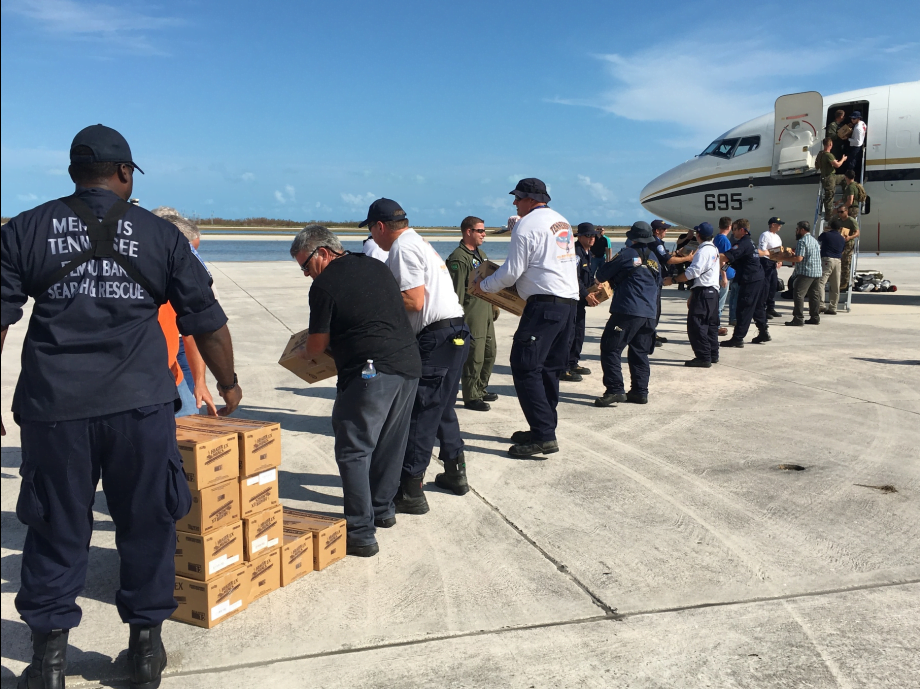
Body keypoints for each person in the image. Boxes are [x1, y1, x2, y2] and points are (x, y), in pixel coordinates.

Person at [1, 124, 241, 689]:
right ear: (126, 173)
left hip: (55, 409)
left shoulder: (26, 229)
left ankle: (48, 664)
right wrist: (228, 385)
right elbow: (206, 320)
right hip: (140, 408)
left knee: (56, 527)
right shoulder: (161, 237)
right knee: (146, 524)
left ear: (72, 173)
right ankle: (144, 653)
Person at [292, 225, 421, 557]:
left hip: (370, 372)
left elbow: (317, 344)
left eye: (306, 265)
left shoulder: (325, 285)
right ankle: (382, 511)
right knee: (391, 444)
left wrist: (303, 353)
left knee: (353, 450)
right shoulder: (374, 265)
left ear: (322, 252)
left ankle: (361, 533)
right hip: (408, 365)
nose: (307, 274)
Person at [364, 198, 471, 510]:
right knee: (442, 408)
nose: (373, 238)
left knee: (421, 413)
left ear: (380, 226)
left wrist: (376, 302)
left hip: (436, 338)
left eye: (371, 231)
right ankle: (455, 471)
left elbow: (413, 301)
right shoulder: (419, 242)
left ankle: (411, 489)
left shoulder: (402, 247)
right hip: (455, 333)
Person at [471, 178, 578, 458]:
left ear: (530, 199)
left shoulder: (526, 225)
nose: (514, 203)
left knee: (524, 365)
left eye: (517, 198)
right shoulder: (562, 222)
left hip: (543, 305)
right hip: (568, 305)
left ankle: (543, 434)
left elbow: (511, 272)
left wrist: (483, 286)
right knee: (549, 369)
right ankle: (544, 427)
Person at [150, 208, 218, 418]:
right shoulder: (152, 280)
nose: (194, 260)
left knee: (189, 415)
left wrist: (200, 382)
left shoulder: (183, 281)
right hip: (147, 375)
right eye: (190, 253)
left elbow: (194, 332)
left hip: (174, 365)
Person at [593, 222, 662, 407]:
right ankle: (640, 391)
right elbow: (658, 285)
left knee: (610, 347)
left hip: (628, 310)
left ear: (632, 238)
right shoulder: (655, 259)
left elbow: (601, 274)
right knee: (640, 352)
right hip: (649, 314)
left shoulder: (625, 254)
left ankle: (615, 389)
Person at [446, 216, 498, 411]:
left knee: (489, 352)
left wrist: (494, 304)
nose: (484, 234)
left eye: (484, 231)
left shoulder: (481, 254)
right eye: (480, 231)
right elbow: (457, 291)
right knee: (474, 355)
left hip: (484, 310)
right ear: (468, 232)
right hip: (470, 312)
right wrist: (456, 319)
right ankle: (471, 395)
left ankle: (481, 388)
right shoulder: (459, 258)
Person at [671, 222, 721, 367]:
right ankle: (712, 354)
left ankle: (703, 357)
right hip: (712, 292)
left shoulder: (703, 251)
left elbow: (692, 273)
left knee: (696, 325)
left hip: (704, 292)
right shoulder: (714, 249)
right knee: (711, 325)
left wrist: (674, 279)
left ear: (698, 235)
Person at [720, 218, 769, 347]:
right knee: (757, 307)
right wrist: (723, 269)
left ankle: (738, 338)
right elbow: (732, 262)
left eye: (735, 229)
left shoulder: (742, 244)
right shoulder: (749, 243)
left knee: (743, 308)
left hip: (750, 280)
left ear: (742, 230)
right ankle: (763, 332)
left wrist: (711, 254)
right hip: (758, 278)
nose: (733, 232)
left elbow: (727, 257)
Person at [562, 223, 602, 382]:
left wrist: (594, 283)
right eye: (588, 236)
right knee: (569, 334)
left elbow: (586, 276)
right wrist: (586, 294)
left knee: (578, 333)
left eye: (593, 236)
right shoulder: (575, 253)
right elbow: (573, 277)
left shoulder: (587, 253)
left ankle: (573, 362)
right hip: (572, 299)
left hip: (579, 300)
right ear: (579, 236)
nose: (592, 238)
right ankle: (562, 368)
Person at [648, 219, 693, 346]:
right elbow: (668, 260)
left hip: (655, 279)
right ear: (657, 231)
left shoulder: (655, 242)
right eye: (664, 229)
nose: (666, 231)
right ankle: (649, 335)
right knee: (654, 308)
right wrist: (687, 258)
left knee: (656, 308)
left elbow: (664, 256)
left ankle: (652, 333)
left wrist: (677, 253)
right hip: (654, 280)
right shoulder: (656, 243)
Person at [786, 220, 823, 326]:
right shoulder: (813, 240)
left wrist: (783, 257)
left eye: (797, 229)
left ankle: (798, 318)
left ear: (802, 230)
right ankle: (815, 317)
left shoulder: (802, 241)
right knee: (814, 295)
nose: (796, 231)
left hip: (806, 272)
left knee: (798, 294)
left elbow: (798, 259)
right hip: (816, 272)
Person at [713, 217, 736, 336]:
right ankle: (716, 326)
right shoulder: (725, 241)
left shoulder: (717, 238)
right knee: (720, 303)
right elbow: (724, 260)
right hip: (722, 276)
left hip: (718, 274)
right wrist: (724, 275)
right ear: (729, 227)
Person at [818, 220, 846, 315]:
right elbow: (842, 250)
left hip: (827, 260)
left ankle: (821, 305)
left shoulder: (826, 235)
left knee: (821, 282)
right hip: (838, 261)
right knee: (835, 285)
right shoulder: (842, 238)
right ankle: (833, 307)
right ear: (839, 228)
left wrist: (826, 230)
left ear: (830, 226)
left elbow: (819, 238)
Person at [758, 217, 784, 319]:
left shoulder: (777, 237)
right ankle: (763, 308)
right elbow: (763, 250)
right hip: (766, 262)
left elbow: (780, 250)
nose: (780, 226)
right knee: (766, 286)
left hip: (773, 262)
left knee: (773, 286)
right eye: (778, 224)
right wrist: (773, 256)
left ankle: (771, 307)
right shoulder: (765, 235)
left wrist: (780, 260)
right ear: (773, 225)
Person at [816, 137, 847, 221]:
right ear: (830, 144)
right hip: (830, 178)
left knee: (844, 178)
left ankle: (844, 198)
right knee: (830, 197)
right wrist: (843, 160)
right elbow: (837, 165)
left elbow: (816, 166)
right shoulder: (828, 155)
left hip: (824, 177)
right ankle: (829, 216)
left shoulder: (820, 154)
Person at [835, 204, 860, 290]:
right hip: (840, 243)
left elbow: (857, 233)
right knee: (838, 262)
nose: (840, 214)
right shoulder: (838, 221)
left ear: (847, 211)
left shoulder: (851, 221)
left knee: (845, 262)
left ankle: (845, 284)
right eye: (838, 212)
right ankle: (840, 282)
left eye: (842, 212)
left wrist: (850, 237)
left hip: (848, 243)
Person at [847, 111, 867, 182]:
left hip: (856, 147)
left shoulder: (857, 128)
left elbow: (857, 142)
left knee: (852, 164)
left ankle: (851, 179)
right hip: (859, 145)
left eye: (854, 119)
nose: (852, 120)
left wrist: (848, 139)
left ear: (858, 118)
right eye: (851, 118)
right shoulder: (862, 123)